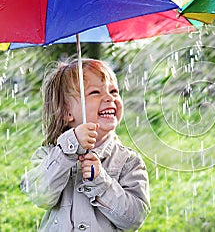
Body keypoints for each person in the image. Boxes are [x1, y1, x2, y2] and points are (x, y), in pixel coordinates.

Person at [20, 58, 150, 231]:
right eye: (95, 92)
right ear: (67, 112)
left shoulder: (127, 161)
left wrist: (101, 183)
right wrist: (68, 150)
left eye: (113, 91)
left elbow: (134, 218)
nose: (109, 98)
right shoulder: (49, 154)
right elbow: (40, 195)